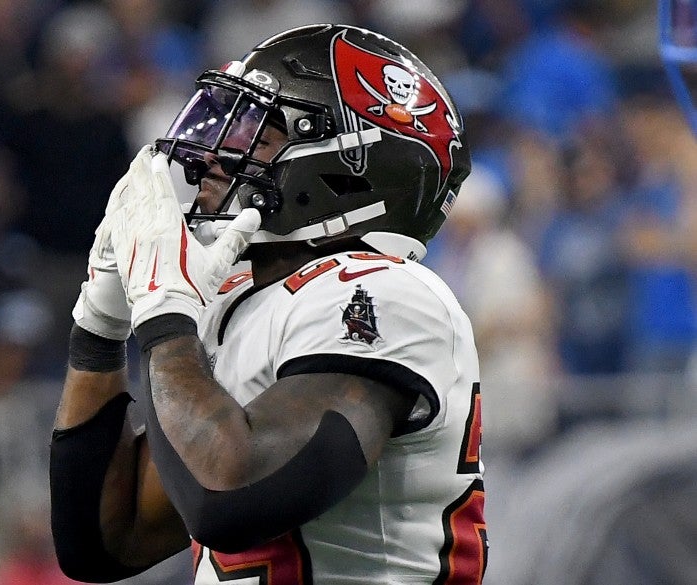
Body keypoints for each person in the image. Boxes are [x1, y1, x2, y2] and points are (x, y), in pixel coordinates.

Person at [50, 24, 486, 584]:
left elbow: (229, 498)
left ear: (349, 166)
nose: (215, 155)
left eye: (260, 129)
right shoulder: (240, 302)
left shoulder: (382, 291)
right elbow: (103, 540)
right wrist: (100, 325)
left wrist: (164, 312)